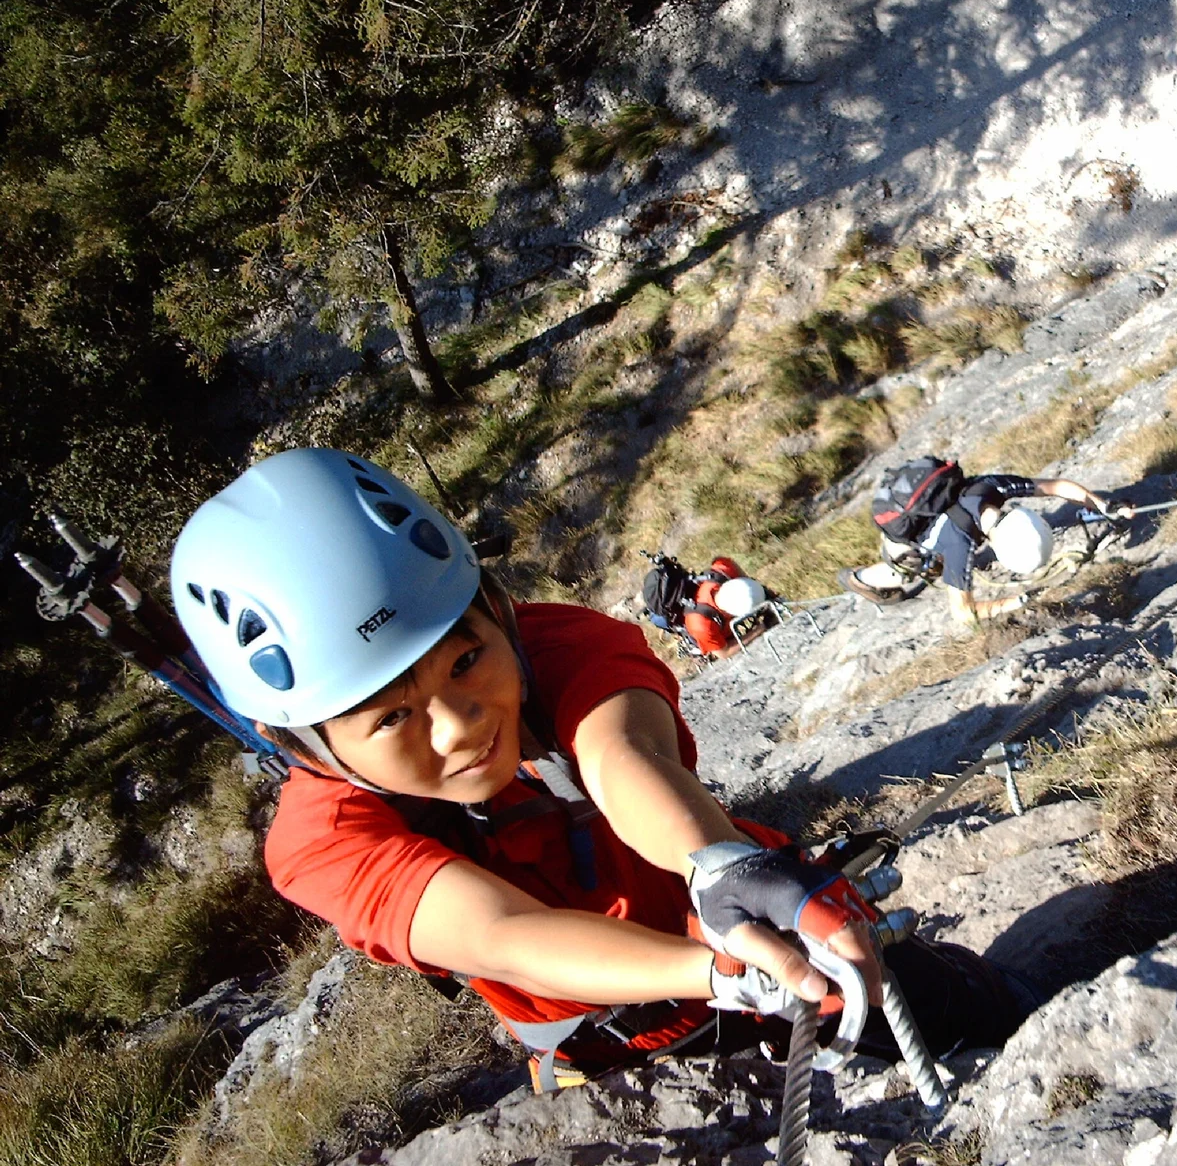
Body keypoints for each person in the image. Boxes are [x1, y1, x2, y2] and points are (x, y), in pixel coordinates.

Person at [170, 448, 1030, 1091]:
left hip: (756, 917)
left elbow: (626, 754)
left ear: (496, 612)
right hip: (637, 1032)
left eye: (465, 660)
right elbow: (501, 936)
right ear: (306, 746)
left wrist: (722, 867)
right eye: (391, 716)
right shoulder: (323, 843)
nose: (458, 724)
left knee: (975, 1008)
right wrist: (717, 972)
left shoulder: (558, 645)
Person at [841, 460, 1132, 624]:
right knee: (905, 569)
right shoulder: (959, 543)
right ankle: (858, 579)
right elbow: (964, 614)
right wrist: (1015, 601)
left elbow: (1054, 487)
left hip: (939, 512)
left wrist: (1104, 506)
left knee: (942, 562)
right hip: (904, 535)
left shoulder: (992, 486)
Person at [641, 554, 771, 659]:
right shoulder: (699, 624)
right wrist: (761, 628)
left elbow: (721, 559)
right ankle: (692, 647)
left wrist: (753, 585)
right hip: (700, 625)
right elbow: (724, 652)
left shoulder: (722, 573)